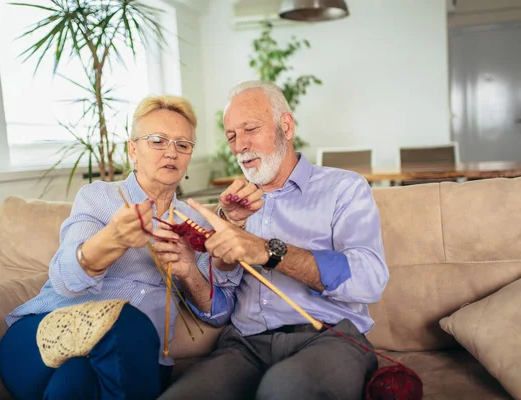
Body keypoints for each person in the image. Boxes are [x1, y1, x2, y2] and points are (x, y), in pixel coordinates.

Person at [0, 94, 261, 400]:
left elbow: (217, 315)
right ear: (133, 150)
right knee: (123, 319)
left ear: (189, 156)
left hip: (134, 358)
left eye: (182, 144)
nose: (171, 152)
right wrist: (113, 240)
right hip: (41, 338)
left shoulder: (196, 223)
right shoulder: (99, 198)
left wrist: (188, 271)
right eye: (158, 141)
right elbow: (64, 279)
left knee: (75, 380)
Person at [160, 80, 390, 400]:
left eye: (250, 129)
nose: (240, 145)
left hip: (329, 338)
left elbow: (370, 280)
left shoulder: (345, 189)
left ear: (285, 126)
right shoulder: (231, 208)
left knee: (284, 392)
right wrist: (193, 270)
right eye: (231, 136)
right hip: (244, 346)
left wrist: (268, 251)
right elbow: (218, 312)